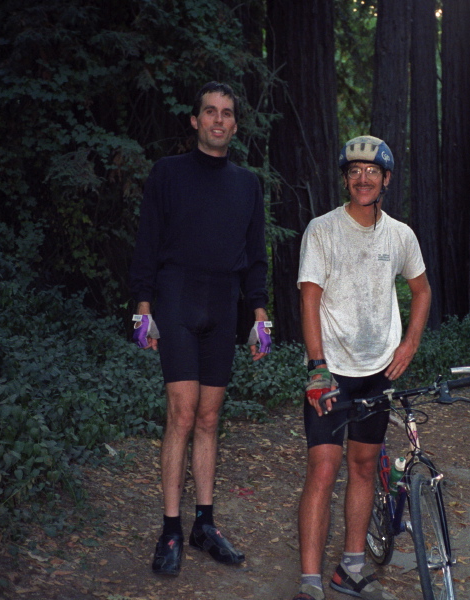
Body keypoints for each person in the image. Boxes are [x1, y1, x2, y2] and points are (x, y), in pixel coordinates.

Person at [129, 81, 272, 577]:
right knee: (182, 415)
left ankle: (204, 525)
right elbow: (146, 243)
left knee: (210, 419)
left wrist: (260, 318)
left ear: (234, 123)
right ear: (194, 121)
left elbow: (256, 257)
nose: (218, 120)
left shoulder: (247, 183)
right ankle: (170, 527)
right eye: (209, 112)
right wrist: (140, 310)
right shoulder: (167, 174)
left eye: (227, 113)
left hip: (223, 304)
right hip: (175, 298)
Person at [292, 136, 432, 600]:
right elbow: (309, 298)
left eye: (372, 171)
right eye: (354, 171)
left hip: (378, 371)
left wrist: (409, 343)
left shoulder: (400, 235)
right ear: (346, 178)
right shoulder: (322, 230)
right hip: (331, 371)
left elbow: (422, 290)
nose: (363, 178)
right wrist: (317, 367)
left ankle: (351, 568)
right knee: (323, 468)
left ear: (386, 179)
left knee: (365, 465)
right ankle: (311, 582)